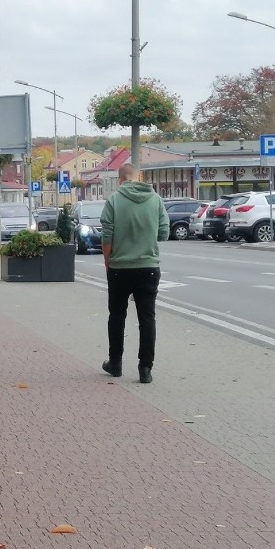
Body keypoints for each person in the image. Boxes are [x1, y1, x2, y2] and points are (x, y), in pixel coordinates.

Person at [100, 163, 169, 384]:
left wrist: (108, 262)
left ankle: (115, 363)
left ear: (120, 180)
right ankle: (145, 369)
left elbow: (106, 237)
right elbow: (164, 233)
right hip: (148, 267)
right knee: (147, 318)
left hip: (120, 268)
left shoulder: (113, 200)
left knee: (117, 317)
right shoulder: (155, 199)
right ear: (138, 177)